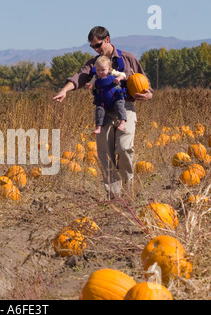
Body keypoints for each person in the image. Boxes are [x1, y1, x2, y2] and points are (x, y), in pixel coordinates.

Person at [52, 26, 153, 199]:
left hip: (125, 109)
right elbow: (79, 77)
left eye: (98, 45)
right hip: (104, 111)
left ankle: (128, 190)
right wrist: (65, 90)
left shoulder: (128, 59)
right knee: (105, 154)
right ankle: (114, 196)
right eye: (92, 47)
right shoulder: (94, 64)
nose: (96, 49)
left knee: (124, 148)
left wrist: (148, 95)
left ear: (107, 39)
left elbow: (146, 86)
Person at [87, 55, 127, 134]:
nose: (100, 72)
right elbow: (91, 84)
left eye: (103, 70)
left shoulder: (112, 73)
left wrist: (119, 78)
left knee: (120, 106)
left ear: (109, 68)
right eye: (98, 70)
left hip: (116, 98)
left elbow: (123, 74)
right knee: (99, 110)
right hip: (103, 100)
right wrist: (89, 85)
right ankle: (98, 127)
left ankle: (122, 122)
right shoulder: (95, 77)